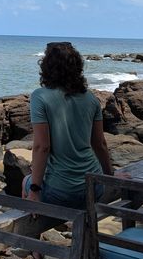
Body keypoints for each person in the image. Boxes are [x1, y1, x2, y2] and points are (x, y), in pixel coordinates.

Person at [22, 41, 115, 209]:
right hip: (95, 186)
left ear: (46, 67)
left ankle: (32, 227)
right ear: (77, 67)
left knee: (25, 182)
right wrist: (110, 177)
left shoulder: (40, 97)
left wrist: (35, 190)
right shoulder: (90, 99)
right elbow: (100, 144)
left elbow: (42, 147)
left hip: (62, 192)